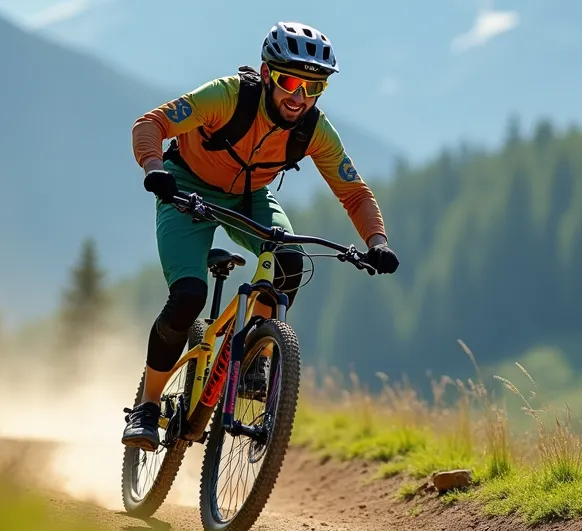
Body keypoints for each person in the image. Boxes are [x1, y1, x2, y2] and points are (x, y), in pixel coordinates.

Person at [122, 21, 400, 451]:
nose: (299, 97)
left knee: (289, 262)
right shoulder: (227, 96)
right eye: (291, 82)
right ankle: (147, 406)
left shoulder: (314, 131)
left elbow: (354, 192)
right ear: (268, 74)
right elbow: (151, 124)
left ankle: (253, 355)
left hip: (250, 197)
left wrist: (377, 241)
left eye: (315, 88)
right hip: (185, 186)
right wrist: (154, 168)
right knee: (188, 297)